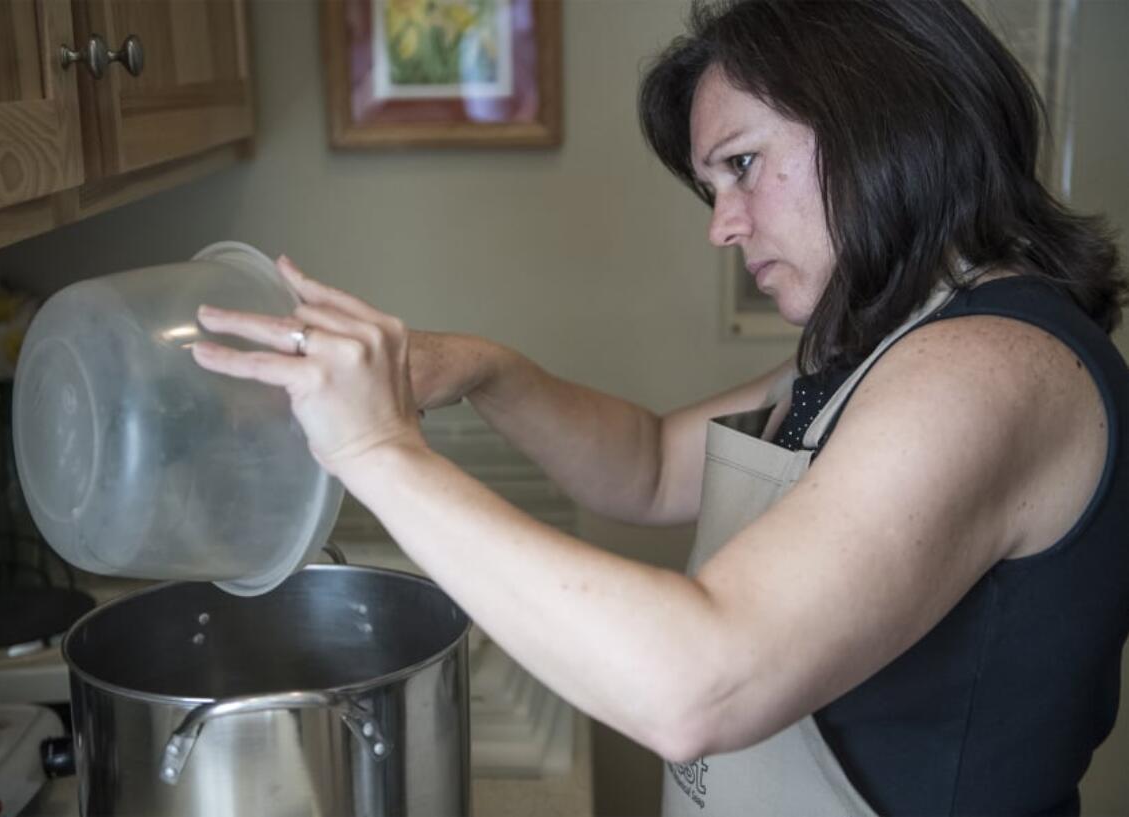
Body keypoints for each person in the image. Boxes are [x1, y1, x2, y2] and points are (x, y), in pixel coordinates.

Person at [192, 0, 1129, 813]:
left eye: (744, 164)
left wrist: (375, 448)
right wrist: (489, 370)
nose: (722, 224)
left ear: (880, 118)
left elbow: (698, 687)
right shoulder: (881, 345)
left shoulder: (984, 369)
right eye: (712, 185)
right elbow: (644, 464)